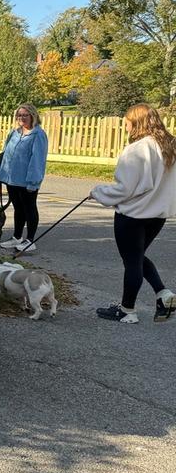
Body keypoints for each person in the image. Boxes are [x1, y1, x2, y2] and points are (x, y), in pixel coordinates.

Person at [90, 103, 176, 324]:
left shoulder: (137, 149)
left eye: (127, 122)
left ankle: (127, 310)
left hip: (133, 215)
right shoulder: (170, 145)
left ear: (135, 122)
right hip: (157, 215)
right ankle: (163, 294)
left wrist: (98, 193)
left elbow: (124, 189)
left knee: (132, 262)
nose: (125, 126)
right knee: (136, 257)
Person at [0, 103, 48, 252]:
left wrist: (33, 182)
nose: (22, 118)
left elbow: (37, 159)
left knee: (29, 208)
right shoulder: (14, 133)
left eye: (25, 115)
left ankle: (30, 240)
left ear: (33, 116)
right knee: (18, 208)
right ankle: (17, 237)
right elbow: (4, 154)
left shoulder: (38, 135)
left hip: (27, 181)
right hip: (11, 179)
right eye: (20, 115)